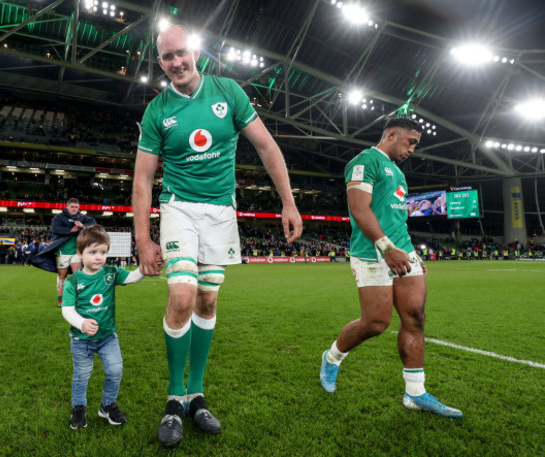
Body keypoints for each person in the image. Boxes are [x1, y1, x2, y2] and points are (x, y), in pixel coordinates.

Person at [132, 24, 303, 448]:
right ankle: (174, 399)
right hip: (179, 208)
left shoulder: (228, 92)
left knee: (208, 298)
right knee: (182, 295)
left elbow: (266, 147)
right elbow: (142, 178)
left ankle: (196, 395)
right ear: (160, 62)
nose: (176, 62)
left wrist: (288, 201)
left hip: (221, 212)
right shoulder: (157, 111)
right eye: (168, 57)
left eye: (182, 53)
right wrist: (142, 238)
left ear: (196, 52)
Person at [319, 117, 462, 418]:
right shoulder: (365, 161)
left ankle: (415, 392)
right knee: (376, 323)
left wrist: (410, 253)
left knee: (415, 317)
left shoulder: (398, 173)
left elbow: (398, 219)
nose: (413, 149)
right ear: (391, 134)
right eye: (410, 141)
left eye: (416, 145)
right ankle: (332, 357)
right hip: (372, 252)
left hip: (403, 251)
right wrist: (386, 247)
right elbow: (359, 209)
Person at [61, 225, 144, 430]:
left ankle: (107, 405)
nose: (99, 257)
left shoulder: (110, 273)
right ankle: (78, 409)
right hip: (81, 340)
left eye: (103, 252)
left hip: (108, 337)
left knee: (115, 369)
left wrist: (145, 268)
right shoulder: (74, 281)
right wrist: (81, 322)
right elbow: (67, 309)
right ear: (80, 253)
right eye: (93, 252)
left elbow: (132, 277)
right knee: (81, 375)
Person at [30, 198, 96, 306]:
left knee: (77, 274)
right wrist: (70, 230)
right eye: (72, 207)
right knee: (62, 274)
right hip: (62, 251)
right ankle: (60, 297)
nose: (74, 209)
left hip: (77, 251)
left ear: (79, 207)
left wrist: (82, 226)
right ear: (67, 207)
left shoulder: (82, 218)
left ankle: (77, 298)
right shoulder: (59, 217)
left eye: (76, 207)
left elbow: (93, 225)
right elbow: (55, 229)